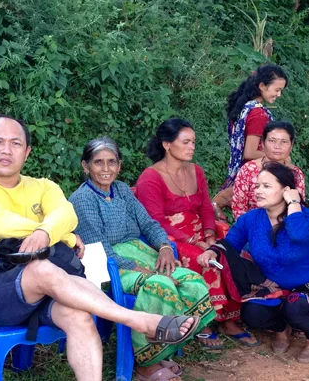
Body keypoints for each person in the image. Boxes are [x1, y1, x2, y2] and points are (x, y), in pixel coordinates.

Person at [0, 115, 199, 381]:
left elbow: (66, 215)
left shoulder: (43, 186)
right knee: (41, 269)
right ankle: (139, 321)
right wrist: (62, 235)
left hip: (43, 292)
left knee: (79, 315)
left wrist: (48, 231)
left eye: (16, 143)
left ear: (27, 152)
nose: (7, 150)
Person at [69, 137, 214, 379]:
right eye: (98, 163)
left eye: (111, 162)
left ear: (119, 165)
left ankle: (165, 348)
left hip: (142, 253)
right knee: (160, 284)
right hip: (108, 265)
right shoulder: (83, 199)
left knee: (191, 279)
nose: (106, 169)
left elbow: (148, 223)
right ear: (86, 166)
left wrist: (165, 246)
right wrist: (141, 270)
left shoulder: (123, 190)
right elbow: (99, 247)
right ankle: (145, 361)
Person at [197, 162, 309, 363]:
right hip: (274, 286)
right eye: (257, 186)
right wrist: (213, 252)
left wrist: (293, 203)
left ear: (286, 190)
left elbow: (300, 235)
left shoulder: (305, 216)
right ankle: (281, 329)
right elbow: (231, 244)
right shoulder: (251, 219)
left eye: (266, 186)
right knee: (252, 312)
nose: (258, 191)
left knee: (297, 304)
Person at [135, 120, 256, 350]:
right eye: (186, 142)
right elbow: (154, 221)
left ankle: (229, 319)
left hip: (201, 230)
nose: (192, 147)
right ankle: (205, 322)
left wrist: (210, 234)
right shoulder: (150, 178)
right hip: (170, 237)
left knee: (226, 248)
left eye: (194, 142)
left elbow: (205, 207)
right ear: (167, 145)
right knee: (204, 259)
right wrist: (193, 241)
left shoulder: (195, 170)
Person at [214, 64, 289, 210]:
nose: (279, 94)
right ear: (262, 85)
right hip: (254, 175)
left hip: (241, 172)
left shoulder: (245, 107)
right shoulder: (258, 114)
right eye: (277, 90)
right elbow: (250, 152)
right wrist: (280, 157)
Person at [231, 121, 305, 220]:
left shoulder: (296, 174)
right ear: (263, 143)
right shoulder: (248, 170)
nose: (277, 146)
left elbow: (298, 208)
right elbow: (238, 209)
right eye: (272, 140)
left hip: (286, 229)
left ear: (291, 145)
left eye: (284, 142)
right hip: (251, 228)